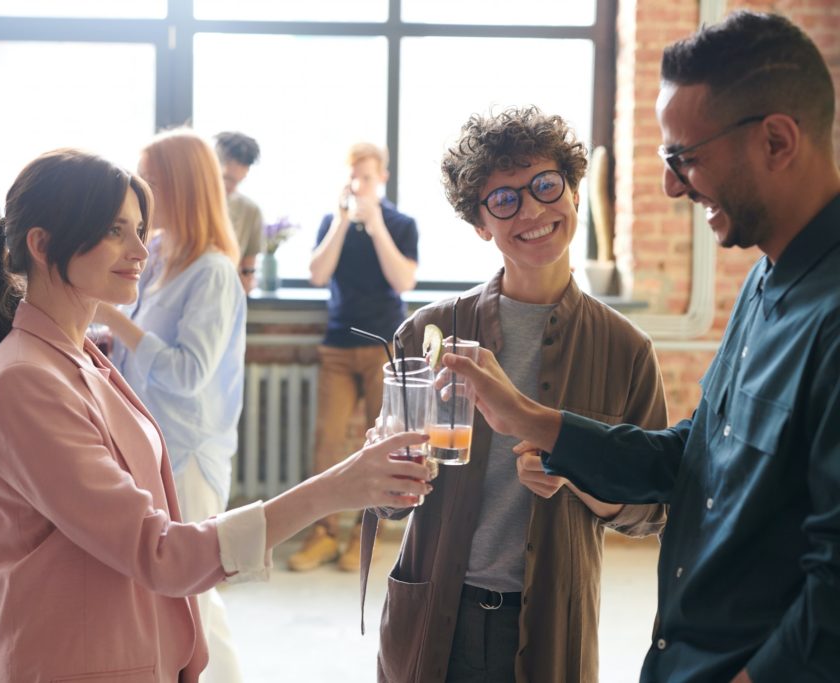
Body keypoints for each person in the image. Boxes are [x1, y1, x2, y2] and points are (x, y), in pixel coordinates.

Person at [443, 11, 840, 683]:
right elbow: (691, 457)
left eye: (685, 158)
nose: (670, 186)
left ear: (776, 141)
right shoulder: (765, 280)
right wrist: (529, 419)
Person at [0, 147, 433, 682]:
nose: (140, 248)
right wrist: (334, 488)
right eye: (116, 231)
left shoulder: (83, 352)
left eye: (140, 228)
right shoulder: (28, 379)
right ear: (42, 245)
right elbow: (160, 552)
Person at [365, 107, 669, 683]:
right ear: (481, 224)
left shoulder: (627, 350)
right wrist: (382, 465)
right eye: (503, 200)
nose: (530, 210)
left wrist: (578, 469)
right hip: (432, 613)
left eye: (545, 185)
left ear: (574, 191)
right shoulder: (425, 331)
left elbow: (652, 511)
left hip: (550, 624)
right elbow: (383, 501)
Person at [96, 128, 246, 683]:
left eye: (150, 180)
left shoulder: (214, 272)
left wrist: (115, 322)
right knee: (171, 595)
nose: (139, 192)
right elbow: (142, 347)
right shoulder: (157, 254)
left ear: (179, 187)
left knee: (197, 598)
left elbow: (187, 372)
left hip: (191, 452)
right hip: (151, 440)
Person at [291, 142, 419, 573]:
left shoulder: (401, 224)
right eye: (353, 176)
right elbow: (317, 275)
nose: (358, 184)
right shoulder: (333, 222)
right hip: (338, 346)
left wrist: (376, 223)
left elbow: (403, 282)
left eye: (366, 176)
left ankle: (367, 537)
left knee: (382, 444)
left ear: (382, 177)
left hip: (385, 348)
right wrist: (344, 223)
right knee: (328, 441)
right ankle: (323, 534)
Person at [214, 131, 263, 293]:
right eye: (227, 179)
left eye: (239, 181)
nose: (232, 188)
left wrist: (246, 281)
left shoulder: (250, 211)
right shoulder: (186, 203)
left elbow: (248, 269)